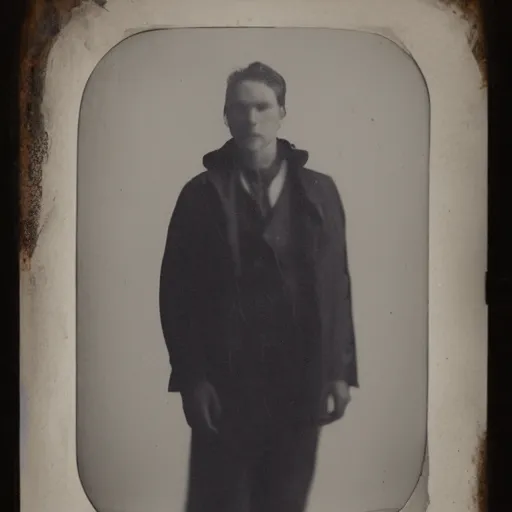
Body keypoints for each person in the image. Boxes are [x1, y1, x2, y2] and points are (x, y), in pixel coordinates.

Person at [159, 61, 358, 512]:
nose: (251, 119)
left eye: (262, 106)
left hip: (300, 382)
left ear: (282, 111)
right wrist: (192, 378)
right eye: (239, 108)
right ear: (225, 116)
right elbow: (176, 294)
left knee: (285, 502)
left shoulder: (320, 192)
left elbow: (337, 286)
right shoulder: (199, 194)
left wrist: (340, 371)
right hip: (226, 387)